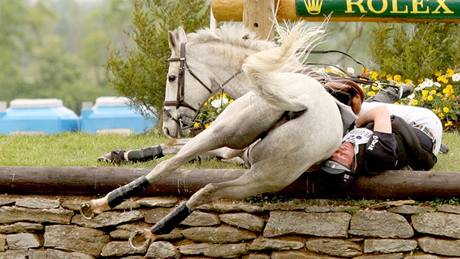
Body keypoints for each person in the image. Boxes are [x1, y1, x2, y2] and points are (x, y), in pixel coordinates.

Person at [321, 100, 442, 189]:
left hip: (398, 133)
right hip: (425, 123)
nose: (339, 151)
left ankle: (381, 98)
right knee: (353, 107)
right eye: (341, 159)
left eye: (334, 155)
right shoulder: (377, 154)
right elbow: (381, 112)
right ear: (352, 166)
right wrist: (356, 123)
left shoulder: (354, 152)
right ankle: (392, 92)